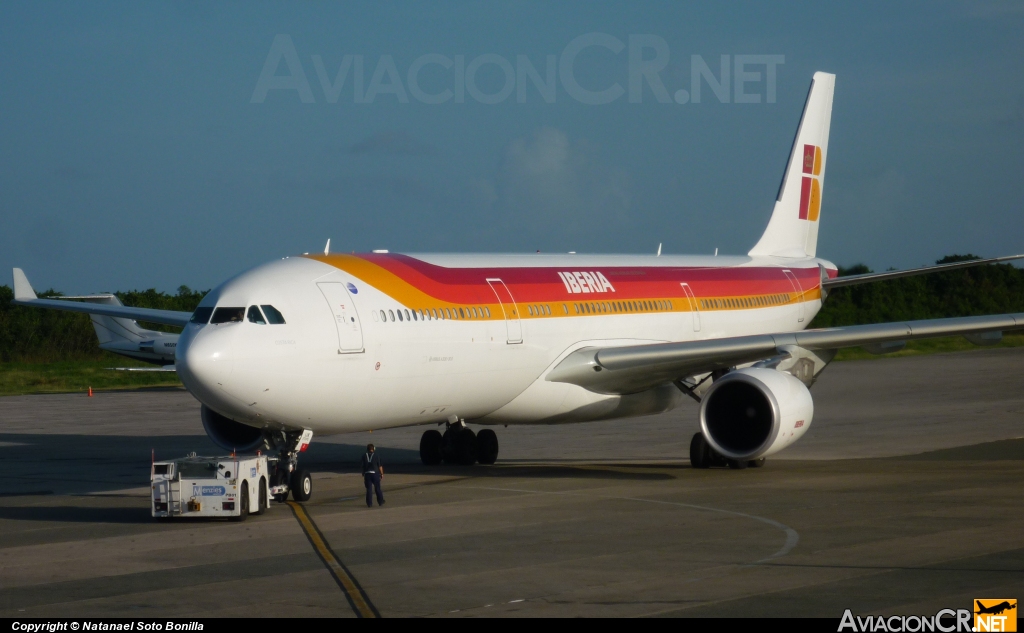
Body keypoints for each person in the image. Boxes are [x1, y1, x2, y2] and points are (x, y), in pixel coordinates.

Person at [361, 443, 385, 507]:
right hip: (375, 474)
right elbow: (380, 466)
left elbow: (363, 466)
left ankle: (369, 503)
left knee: (369, 489)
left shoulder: (364, 456)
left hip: (367, 474)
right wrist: (381, 473)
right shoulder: (376, 456)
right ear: (373, 449)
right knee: (377, 488)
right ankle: (380, 501)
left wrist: (363, 473)